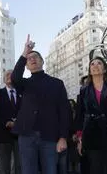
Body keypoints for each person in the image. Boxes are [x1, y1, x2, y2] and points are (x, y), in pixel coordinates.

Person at [11, 34, 71, 174]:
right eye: (29, 58)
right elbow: (14, 78)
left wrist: (62, 137)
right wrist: (24, 52)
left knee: (50, 170)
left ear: (42, 61)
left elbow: (64, 111)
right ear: (26, 65)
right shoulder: (24, 84)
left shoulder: (57, 83)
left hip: (49, 136)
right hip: (26, 135)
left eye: (35, 57)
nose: (32, 59)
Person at [0, 70, 21, 174]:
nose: (9, 76)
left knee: (20, 166)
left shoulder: (23, 92)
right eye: (7, 74)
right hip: (2, 134)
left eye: (12, 74)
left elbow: (28, 111)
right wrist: (6, 122)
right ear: (3, 79)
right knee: (4, 166)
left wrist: (18, 123)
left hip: (21, 134)